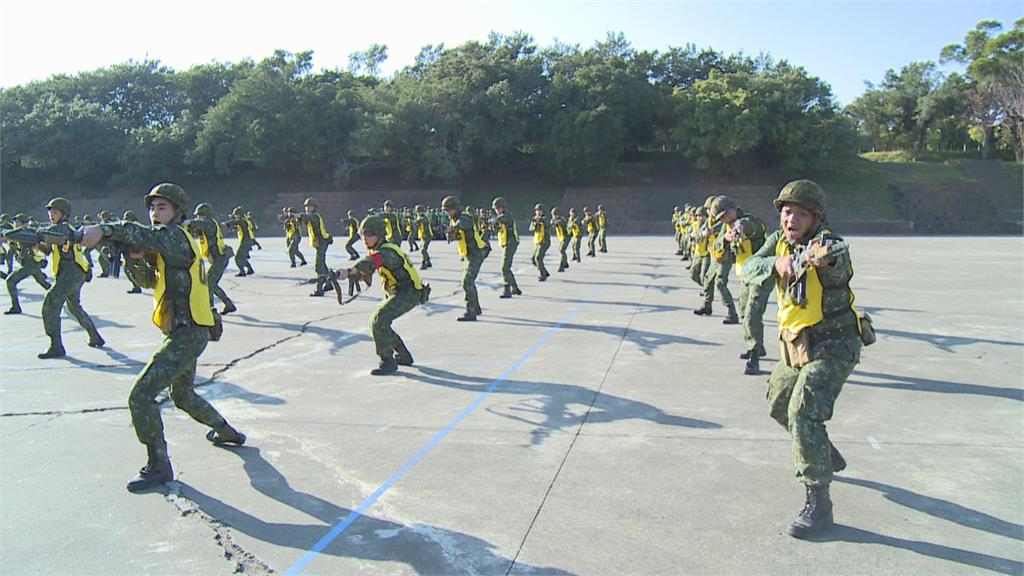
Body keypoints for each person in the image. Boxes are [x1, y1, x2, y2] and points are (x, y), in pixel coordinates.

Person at [80, 183, 246, 493]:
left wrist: (104, 229)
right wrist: (133, 257)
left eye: (162, 208)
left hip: (188, 333)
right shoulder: (167, 242)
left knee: (140, 395)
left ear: (178, 212)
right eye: (152, 208)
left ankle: (159, 465)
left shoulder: (173, 237)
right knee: (182, 396)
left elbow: (142, 233)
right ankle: (226, 431)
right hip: (188, 330)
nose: (155, 214)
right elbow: (146, 280)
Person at [744, 179, 861, 539]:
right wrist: (777, 264)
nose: (790, 219)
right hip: (796, 346)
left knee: (803, 411)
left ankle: (819, 506)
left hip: (833, 344)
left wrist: (817, 260)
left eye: (800, 213)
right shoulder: (778, 242)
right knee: (779, 404)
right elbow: (749, 267)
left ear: (816, 218)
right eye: (786, 211)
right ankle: (823, 451)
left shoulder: (828, 245)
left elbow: (837, 261)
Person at [331, 215, 427, 375]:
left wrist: (349, 271)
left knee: (378, 320)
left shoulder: (386, 252)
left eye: (368, 235)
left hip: (408, 293)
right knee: (381, 322)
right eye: (363, 235)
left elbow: (371, 262)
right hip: (401, 291)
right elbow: (370, 266)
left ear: (379, 234)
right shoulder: (383, 248)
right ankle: (403, 355)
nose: (364, 239)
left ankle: (388, 361)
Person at [34, 197, 104, 358]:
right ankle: (95, 337)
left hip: (71, 271)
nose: (51, 214)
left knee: (50, 303)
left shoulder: (63, 228)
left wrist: (36, 234)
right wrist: (36, 244)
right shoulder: (57, 228)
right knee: (74, 306)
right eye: (50, 211)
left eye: (55, 212)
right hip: (73, 272)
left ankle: (56, 346)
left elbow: (48, 236)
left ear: (64, 214)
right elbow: (47, 250)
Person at [721, 201, 771, 375]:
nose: (724, 220)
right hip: (745, 274)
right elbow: (718, 245)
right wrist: (726, 238)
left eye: (726, 215)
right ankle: (756, 346)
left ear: (733, 210)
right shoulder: (726, 226)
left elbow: (749, 226)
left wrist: (739, 229)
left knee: (752, 314)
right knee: (744, 312)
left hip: (761, 274)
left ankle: (754, 356)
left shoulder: (750, 220)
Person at [442, 195, 489, 321]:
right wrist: (451, 233)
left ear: (455, 208)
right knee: (469, 281)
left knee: (467, 282)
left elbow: (461, 225)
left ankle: (471, 311)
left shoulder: (465, 217)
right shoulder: (454, 219)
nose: (447, 213)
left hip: (477, 252)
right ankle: (476, 307)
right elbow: (457, 236)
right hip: (470, 253)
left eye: (448, 210)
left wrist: (452, 229)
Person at [696, 196, 739, 324]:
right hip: (714, 255)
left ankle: (732, 312)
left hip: (724, 257)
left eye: (709, 209)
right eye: (708, 209)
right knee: (708, 279)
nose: (709, 212)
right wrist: (703, 234)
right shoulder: (709, 221)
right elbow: (700, 233)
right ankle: (707, 305)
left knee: (720, 283)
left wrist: (711, 231)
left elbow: (721, 228)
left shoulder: (722, 220)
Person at [192, 203, 237, 314]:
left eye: (200, 215)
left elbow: (198, 223)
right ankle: (228, 304)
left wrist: (187, 223)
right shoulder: (207, 225)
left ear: (205, 215)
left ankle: (210, 308)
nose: (198, 217)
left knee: (208, 283)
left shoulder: (209, 223)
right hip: (219, 259)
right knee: (211, 283)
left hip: (220, 259)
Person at [3, 214, 51, 314]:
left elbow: (8, 234)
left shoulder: (26, 232)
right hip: (32, 264)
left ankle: (16, 307)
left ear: (23, 223)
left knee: (10, 281)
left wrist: (19, 229)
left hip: (30, 264)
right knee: (44, 284)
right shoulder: (22, 233)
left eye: (17, 222)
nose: (15, 224)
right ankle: (63, 296)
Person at [298, 197, 334, 297]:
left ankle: (319, 289)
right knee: (322, 263)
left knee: (318, 266)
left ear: (314, 207)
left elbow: (305, 218)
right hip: (322, 242)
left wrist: (297, 216)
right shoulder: (312, 216)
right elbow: (304, 220)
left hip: (322, 242)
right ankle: (329, 284)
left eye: (309, 206)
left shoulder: (313, 216)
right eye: (306, 207)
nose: (307, 208)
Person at [489, 197, 521, 298]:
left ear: (503, 207)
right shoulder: (500, 217)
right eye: (495, 209)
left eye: (498, 208)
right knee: (505, 267)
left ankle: (507, 290)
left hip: (511, 243)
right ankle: (515, 288)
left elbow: (502, 219)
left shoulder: (507, 216)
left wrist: (494, 221)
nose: (497, 210)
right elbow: (497, 229)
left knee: (504, 267)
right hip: (506, 244)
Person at [222, 207, 255, 276]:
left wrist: (225, 223)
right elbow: (237, 225)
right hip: (248, 241)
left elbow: (236, 222)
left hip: (246, 241)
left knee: (238, 257)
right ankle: (250, 269)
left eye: (236, 214)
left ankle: (242, 271)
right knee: (242, 256)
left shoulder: (242, 221)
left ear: (239, 215)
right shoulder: (245, 220)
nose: (235, 216)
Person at [529, 203, 551, 281]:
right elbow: (531, 229)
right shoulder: (534, 219)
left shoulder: (545, 219)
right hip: (537, 241)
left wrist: (539, 220)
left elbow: (547, 223)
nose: (538, 212)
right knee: (533, 259)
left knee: (538, 258)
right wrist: (535, 224)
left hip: (544, 241)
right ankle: (544, 271)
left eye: (540, 211)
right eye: (537, 211)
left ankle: (543, 274)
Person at [551, 207, 570, 272]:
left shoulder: (561, 220)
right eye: (553, 215)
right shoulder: (556, 220)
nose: (554, 216)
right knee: (560, 249)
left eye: (555, 215)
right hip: (562, 237)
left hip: (566, 237)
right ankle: (565, 263)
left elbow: (559, 223)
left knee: (562, 250)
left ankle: (562, 266)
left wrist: (554, 223)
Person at [413, 205, 433, 269]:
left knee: (423, 250)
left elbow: (421, 221)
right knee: (423, 249)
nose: (419, 213)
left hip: (427, 236)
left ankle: (424, 263)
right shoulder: (419, 217)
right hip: (422, 236)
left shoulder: (424, 218)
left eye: (420, 211)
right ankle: (428, 262)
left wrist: (415, 222)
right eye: (418, 212)